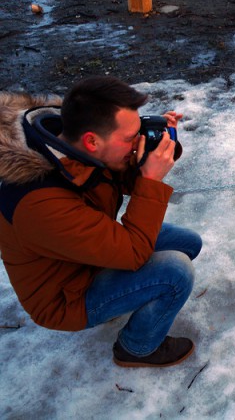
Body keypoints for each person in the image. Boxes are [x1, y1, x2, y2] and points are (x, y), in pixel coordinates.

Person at [0, 76, 202, 368]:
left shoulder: (68, 139)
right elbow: (133, 253)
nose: (137, 142)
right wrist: (151, 180)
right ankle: (136, 348)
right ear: (92, 141)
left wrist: (158, 146)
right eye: (132, 137)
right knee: (175, 272)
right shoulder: (38, 204)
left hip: (81, 256)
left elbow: (116, 176)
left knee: (188, 243)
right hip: (67, 295)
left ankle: (127, 298)